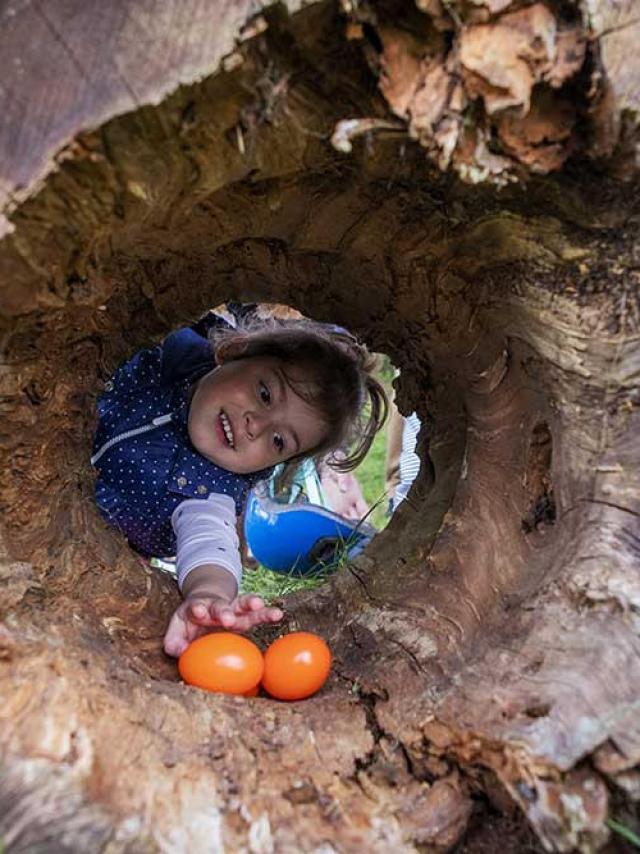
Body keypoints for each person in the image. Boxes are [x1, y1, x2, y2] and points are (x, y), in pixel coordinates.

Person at [91, 310, 388, 657]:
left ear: (276, 464)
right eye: (264, 393)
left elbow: (210, 543)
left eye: (279, 441)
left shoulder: (209, 490)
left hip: (89, 546)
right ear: (234, 352)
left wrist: (210, 596)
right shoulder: (168, 351)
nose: (256, 425)